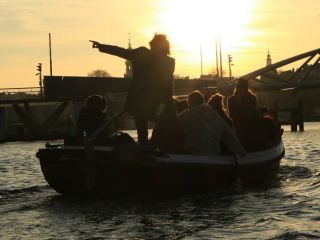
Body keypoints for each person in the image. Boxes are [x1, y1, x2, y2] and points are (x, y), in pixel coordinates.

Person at [90, 34, 177, 147]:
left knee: (142, 131)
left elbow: (121, 52)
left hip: (139, 102)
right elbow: (167, 84)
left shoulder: (142, 54)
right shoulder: (169, 62)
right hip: (155, 102)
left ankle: (146, 149)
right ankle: (160, 147)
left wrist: (102, 47)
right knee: (166, 125)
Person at [178, 91, 245, 156]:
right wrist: (241, 153)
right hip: (214, 157)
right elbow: (231, 137)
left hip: (194, 156)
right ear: (202, 101)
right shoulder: (216, 116)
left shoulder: (187, 115)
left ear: (189, 103)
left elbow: (173, 127)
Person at [228, 78, 258, 144]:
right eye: (240, 88)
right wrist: (239, 104)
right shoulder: (232, 99)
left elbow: (255, 115)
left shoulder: (252, 98)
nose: (241, 90)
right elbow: (232, 116)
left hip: (250, 127)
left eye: (243, 88)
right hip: (237, 127)